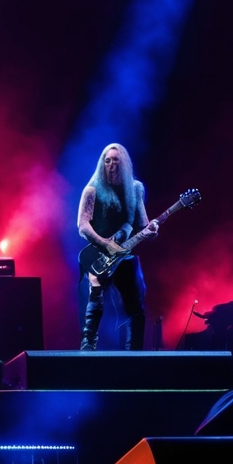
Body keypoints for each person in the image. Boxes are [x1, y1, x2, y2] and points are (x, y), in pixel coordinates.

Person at [77, 141, 159, 351]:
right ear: (102, 164)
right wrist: (105, 244)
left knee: (136, 303)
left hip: (124, 255)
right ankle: (88, 345)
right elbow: (83, 226)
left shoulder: (135, 189)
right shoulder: (92, 190)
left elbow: (143, 225)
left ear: (124, 164)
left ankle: (135, 353)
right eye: (107, 161)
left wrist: (152, 231)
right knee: (96, 295)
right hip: (98, 253)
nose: (111, 165)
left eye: (116, 160)